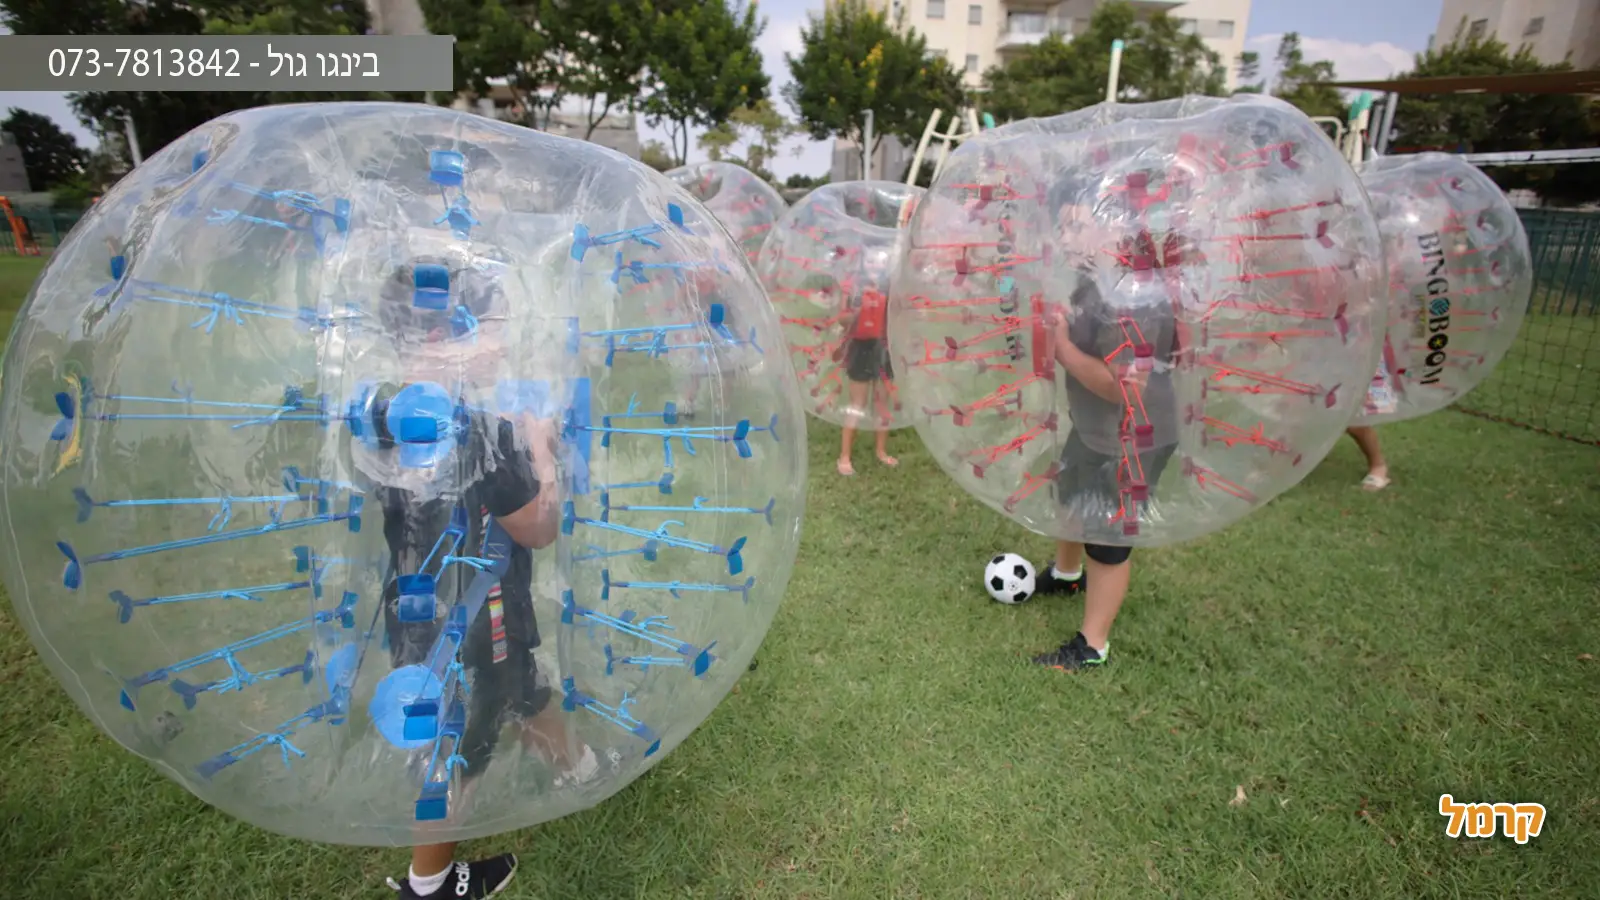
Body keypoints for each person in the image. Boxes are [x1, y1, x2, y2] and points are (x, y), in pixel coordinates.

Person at [365, 259, 597, 899]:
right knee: (462, 739)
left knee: (522, 688)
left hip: (418, 606)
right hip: (479, 614)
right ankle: (430, 881)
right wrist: (542, 453)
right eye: (491, 331)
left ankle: (578, 769)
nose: (502, 346)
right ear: (444, 339)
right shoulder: (484, 435)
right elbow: (538, 529)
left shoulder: (381, 417)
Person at [1031, 184, 1184, 672]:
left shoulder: (1127, 299)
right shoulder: (1095, 281)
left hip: (1135, 437)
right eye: (1064, 224)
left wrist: (1061, 346)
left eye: (1077, 224)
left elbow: (1126, 390)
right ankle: (1066, 574)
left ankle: (1092, 645)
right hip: (1099, 430)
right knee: (1071, 495)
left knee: (1109, 536)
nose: (1065, 234)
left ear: (1113, 228)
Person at [836, 256, 900, 476]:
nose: (876, 265)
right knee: (858, 403)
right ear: (864, 264)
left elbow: (896, 316)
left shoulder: (889, 287)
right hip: (860, 349)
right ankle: (844, 456)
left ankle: (881, 451)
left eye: (881, 261)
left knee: (882, 402)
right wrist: (857, 310)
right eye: (871, 261)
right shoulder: (854, 289)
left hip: (883, 347)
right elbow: (841, 319)